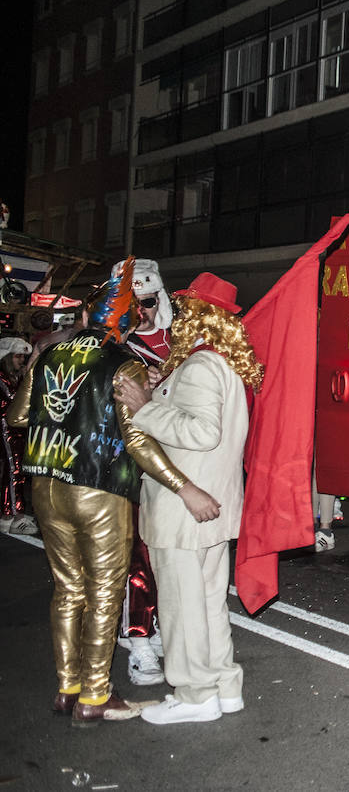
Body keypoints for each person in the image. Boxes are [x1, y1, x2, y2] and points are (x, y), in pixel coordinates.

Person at [7, 276, 193, 726]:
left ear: (88, 316)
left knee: (68, 590)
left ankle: (67, 688)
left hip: (48, 486)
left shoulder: (50, 354)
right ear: (130, 324)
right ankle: (96, 694)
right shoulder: (123, 363)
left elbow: (17, 416)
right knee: (105, 592)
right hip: (99, 486)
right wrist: (183, 485)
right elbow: (138, 441)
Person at [114, 273, 261, 725]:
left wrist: (147, 407)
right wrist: (164, 388)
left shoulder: (199, 367)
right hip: (212, 508)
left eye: (183, 308)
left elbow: (201, 432)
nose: (175, 316)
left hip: (183, 510)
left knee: (182, 607)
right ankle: (223, 685)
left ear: (196, 315)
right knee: (210, 602)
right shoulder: (221, 364)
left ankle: (194, 694)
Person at [115, 258, 172, 688]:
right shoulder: (115, 346)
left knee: (172, 553)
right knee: (140, 553)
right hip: (132, 460)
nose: (144, 311)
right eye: (135, 303)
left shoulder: (183, 342)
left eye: (149, 301)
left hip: (181, 456)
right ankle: (138, 640)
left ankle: (166, 627)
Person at [0, 336, 35, 536]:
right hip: (6, 427)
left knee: (17, 471)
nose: (21, 360)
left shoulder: (15, 376)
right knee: (13, 471)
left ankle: (14, 511)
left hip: (16, 428)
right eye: (18, 357)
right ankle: (11, 515)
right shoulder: (3, 377)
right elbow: (15, 399)